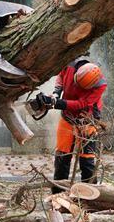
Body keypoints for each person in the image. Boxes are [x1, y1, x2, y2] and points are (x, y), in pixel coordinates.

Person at [36, 59, 107, 193]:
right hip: (67, 118)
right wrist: (57, 92)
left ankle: (89, 195)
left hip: (87, 121)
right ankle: (58, 194)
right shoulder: (70, 65)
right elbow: (61, 76)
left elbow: (82, 104)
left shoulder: (100, 85)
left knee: (87, 160)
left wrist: (57, 103)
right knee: (62, 157)